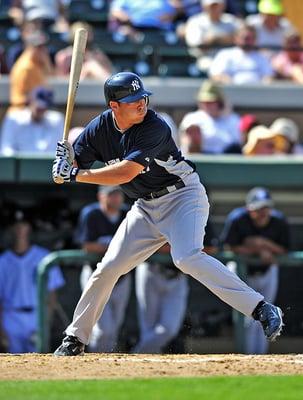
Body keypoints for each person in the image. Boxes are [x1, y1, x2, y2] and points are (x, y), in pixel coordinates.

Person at [52, 71, 284, 356]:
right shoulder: (99, 129)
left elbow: (125, 172)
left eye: (143, 97)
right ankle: (75, 338)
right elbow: (78, 162)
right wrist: (67, 159)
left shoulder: (154, 127)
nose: (142, 103)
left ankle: (261, 308)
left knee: (186, 257)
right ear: (114, 106)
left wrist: (74, 174)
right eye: (134, 100)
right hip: (145, 206)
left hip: (183, 196)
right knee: (108, 267)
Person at [220, 187, 290, 354]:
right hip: (242, 272)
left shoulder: (278, 221)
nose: (262, 213)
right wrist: (255, 251)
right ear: (249, 209)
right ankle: (246, 355)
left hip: (267, 271)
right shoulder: (238, 219)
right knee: (247, 318)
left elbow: (285, 250)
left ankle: (260, 357)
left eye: (266, 208)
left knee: (267, 316)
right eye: (258, 209)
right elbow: (229, 248)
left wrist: (262, 243)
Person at [133, 221, 217, 354]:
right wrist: (184, 249)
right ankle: (147, 363)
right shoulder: (160, 210)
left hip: (177, 276)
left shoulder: (197, 213)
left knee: (169, 329)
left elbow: (211, 248)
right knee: (148, 327)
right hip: (152, 271)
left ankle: (137, 356)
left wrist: (181, 249)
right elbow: (145, 245)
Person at [74, 185, 131, 352]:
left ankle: (104, 366)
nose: (116, 198)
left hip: (122, 278)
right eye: (111, 194)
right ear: (101, 196)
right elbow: (87, 245)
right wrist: (116, 248)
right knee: (103, 329)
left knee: (114, 327)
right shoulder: (92, 214)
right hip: (95, 274)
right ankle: (95, 361)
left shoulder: (128, 214)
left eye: (118, 194)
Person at [0, 211, 65, 353]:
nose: (20, 230)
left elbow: (52, 295)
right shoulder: (3, 261)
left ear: (29, 228)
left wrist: (45, 323)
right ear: (10, 229)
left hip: (36, 315)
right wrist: (1, 330)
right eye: (16, 226)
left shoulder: (43, 256)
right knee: (13, 363)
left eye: (23, 225)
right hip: (11, 317)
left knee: (37, 361)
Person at [178, 80, 242, 154]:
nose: (206, 105)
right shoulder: (192, 118)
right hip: (200, 161)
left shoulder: (233, 119)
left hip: (227, 161)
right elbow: (185, 146)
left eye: (211, 102)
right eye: (204, 101)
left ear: (219, 102)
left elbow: (238, 144)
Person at [1, 86, 64, 156]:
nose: (41, 109)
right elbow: (6, 150)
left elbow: (59, 152)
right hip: (21, 165)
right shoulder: (13, 119)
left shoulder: (57, 120)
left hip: (48, 166)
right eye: (38, 106)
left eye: (44, 107)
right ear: (30, 101)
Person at [184, 0, 241, 73]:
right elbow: (197, 47)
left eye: (217, 5)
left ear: (223, 6)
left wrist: (215, 39)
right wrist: (225, 39)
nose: (215, 8)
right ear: (204, 6)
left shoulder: (231, 20)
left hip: (231, 60)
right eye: (212, 6)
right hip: (206, 59)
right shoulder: (195, 22)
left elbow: (242, 37)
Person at [209, 24, 274, 84]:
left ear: (255, 40)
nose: (246, 41)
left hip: (258, 93)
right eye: (244, 38)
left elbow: (268, 77)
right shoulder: (225, 54)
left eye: (249, 38)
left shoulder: (262, 57)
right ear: (235, 38)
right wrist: (230, 83)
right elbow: (215, 75)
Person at [9, 30, 54, 110]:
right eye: (39, 47)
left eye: (43, 47)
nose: (43, 50)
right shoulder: (26, 67)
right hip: (22, 111)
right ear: (30, 48)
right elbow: (26, 98)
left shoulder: (36, 63)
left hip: (33, 111)